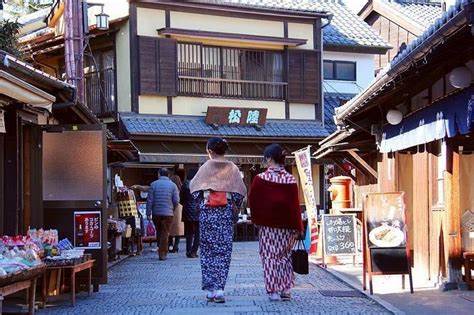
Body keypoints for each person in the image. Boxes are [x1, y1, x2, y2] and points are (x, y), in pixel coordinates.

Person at [190, 137, 246, 303]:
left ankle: (211, 289)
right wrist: (231, 201)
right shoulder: (232, 168)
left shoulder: (206, 167)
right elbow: (239, 193)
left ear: (210, 151)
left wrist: (204, 200)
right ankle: (220, 288)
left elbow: (194, 189)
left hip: (208, 213)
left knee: (207, 251)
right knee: (223, 251)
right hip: (225, 214)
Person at [248, 144, 304, 302]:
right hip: (287, 227)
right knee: (284, 257)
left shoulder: (261, 179)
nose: (265, 161)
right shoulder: (290, 179)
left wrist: (257, 220)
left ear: (270, 159)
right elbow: (294, 205)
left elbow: (254, 201)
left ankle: (273, 290)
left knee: (269, 257)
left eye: (266, 158)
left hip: (267, 226)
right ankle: (286, 289)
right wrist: (297, 226)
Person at [146, 168, 179, 260]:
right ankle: (163, 252)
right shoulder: (173, 186)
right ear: (168, 175)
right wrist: (173, 209)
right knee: (165, 232)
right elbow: (176, 200)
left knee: (159, 231)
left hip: (156, 212)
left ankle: (161, 251)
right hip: (168, 212)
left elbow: (150, 200)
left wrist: (148, 213)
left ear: (159, 174)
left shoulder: (153, 184)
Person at [180, 168, 200, 258]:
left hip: (187, 209)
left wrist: (186, 204)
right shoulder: (198, 184)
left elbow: (181, 198)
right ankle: (194, 251)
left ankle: (188, 250)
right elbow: (201, 198)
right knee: (198, 232)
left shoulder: (184, 184)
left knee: (188, 232)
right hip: (197, 210)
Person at [169, 175, 184, 253]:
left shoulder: (171, 188)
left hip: (171, 208)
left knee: (170, 228)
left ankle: (170, 245)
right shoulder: (181, 189)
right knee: (178, 229)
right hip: (180, 209)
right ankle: (176, 246)